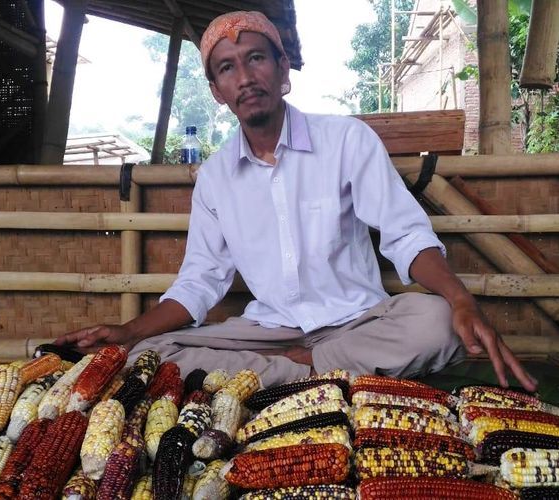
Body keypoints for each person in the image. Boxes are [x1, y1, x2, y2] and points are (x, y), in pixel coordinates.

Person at [56, 11, 537, 391]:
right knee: (146, 355)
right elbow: (200, 282)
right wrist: (129, 331)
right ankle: (311, 371)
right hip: (269, 333)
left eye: (256, 58)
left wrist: (459, 299)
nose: (244, 77)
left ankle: (294, 372)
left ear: (283, 70)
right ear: (217, 92)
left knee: (437, 323)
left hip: (358, 323)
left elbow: (405, 234)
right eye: (227, 67)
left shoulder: (347, 139)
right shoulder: (216, 177)